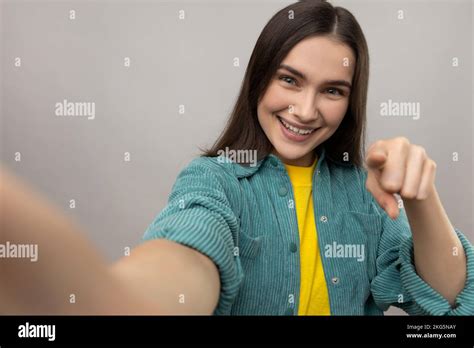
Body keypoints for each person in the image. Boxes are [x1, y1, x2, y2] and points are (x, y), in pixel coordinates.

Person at [1, 0, 472, 316]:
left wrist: (421, 197)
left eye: (332, 90)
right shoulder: (214, 183)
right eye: (289, 80)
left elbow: (451, 302)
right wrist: (116, 299)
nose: (305, 111)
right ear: (259, 79)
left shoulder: (364, 195)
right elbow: (183, 260)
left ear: (350, 101)